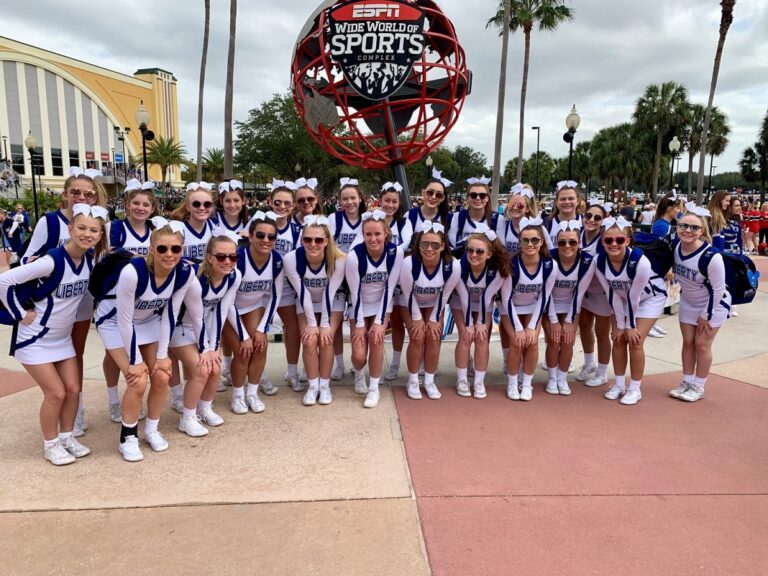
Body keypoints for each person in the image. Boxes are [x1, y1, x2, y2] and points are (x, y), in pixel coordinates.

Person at [0, 205, 107, 465]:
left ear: (100, 234)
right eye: (81, 228)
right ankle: (51, 444)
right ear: (70, 229)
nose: (87, 234)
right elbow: (4, 281)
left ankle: (67, 437)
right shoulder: (52, 261)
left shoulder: (89, 260)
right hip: (35, 339)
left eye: (94, 230)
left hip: (61, 339)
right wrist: (20, 314)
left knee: (73, 389)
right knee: (56, 393)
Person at [22, 166, 108, 436]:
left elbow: (101, 261)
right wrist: (42, 264)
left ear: (96, 198)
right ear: (66, 194)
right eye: (76, 192)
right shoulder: (50, 221)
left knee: (75, 354)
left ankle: (76, 406)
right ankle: (57, 401)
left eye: (88, 194)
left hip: (81, 300)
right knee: (54, 351)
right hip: (52, 301)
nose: (82, 198)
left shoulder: (100, 221)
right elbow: (27, 258)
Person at [110, 222, 197, 460]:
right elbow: (123, 321)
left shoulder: (185, 272)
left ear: (182, 249)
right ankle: (128, 436)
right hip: (114, 324)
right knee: (138, 380)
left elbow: (170, 314)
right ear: (151, 248)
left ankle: (151, 429)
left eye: (175, 249)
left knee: (161, 375)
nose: (169, 255)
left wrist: (161, 356)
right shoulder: (132, 271)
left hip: (148, 322)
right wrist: (136, 360)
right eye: (162, 249)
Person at [173, 230, 248, 436]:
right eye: (221, 256)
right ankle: (187, 418)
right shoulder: (195, 279)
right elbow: (196, 318)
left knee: (216, 366)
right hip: (180, 328)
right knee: (201, 370)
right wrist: (206, 348)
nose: (227, 261)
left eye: (233, 256)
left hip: (204, 328)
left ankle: (204, 408)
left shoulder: (234, 276)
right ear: (209, 258)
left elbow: (221, 311)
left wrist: (213, 348)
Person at [595, 216, 666, 405]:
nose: (614, 244)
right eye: (608, 240)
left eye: (619, 240)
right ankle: (619, 385)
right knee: (617, 338)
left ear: (628, 240)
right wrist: (619, 325)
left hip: (649, 298)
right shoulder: (599, 262)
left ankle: (635, 388)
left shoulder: (640, 262)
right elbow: (611, 294)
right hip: (621, 300)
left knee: (635, 340)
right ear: (602, 241)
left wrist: (630, 325)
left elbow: (634, 297)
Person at [283, 216, 346, 405]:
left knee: (326, 339)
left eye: (318, 240)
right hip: (306, 300)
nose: (313, 244)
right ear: (302, 239)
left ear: (326, 241)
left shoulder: (339, 260)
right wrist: (312, 324)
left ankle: (325, 386)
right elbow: (302, 293)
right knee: (309, 340)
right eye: (308, 239)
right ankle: (313, 386)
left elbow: (330, 292)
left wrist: (324, 324)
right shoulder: (291, 258)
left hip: (332, 300)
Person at [670, 206, 731, 402]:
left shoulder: (712, 257)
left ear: (701, 232)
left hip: (714, 304)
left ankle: (699, 386)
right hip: (688, 301)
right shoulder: (675, 247)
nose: (688, 231)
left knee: (702, 345)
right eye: (683, 226)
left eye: (694, 228)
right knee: (688, 343)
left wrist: (707, 315)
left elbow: (718, 289)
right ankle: (687, 381)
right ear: (677, 227)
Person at [345, 210, 404, 408]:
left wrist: (380, 322)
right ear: (363, 235)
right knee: (359, 356)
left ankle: (374, 388)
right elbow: (355, 293)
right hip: (360, 304)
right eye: (368, 234)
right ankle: (359, 373)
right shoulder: (354, 256)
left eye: (377, 234)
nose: (373, 238)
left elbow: (390, 288)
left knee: (376, 339)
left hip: (382, 303)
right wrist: (360, 324)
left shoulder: (395, 252)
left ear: (386, 233)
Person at [398, 220, 461, 400]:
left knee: (434, 336)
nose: (429, 249)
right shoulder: (409, 263)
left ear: (442, 246)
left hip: (435, 302)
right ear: (418, 244)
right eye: (424, 244)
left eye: (435, 245)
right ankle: (412, 380)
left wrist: (434, 319)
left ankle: (429, 380)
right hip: (410, 301)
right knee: (417, 336)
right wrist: (417, 318)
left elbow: (445, 294)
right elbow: (408, 293)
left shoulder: (453, 266)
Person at [229, 212, 284, 415]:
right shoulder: (237, 259)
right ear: (250, 236)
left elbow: (275, 296)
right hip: (229, 309)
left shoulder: (277, 261)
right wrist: (243, 335)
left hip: (252, 307)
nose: (266, 240)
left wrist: (262, 329)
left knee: (260, 346)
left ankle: (252, 393)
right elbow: (226, 300)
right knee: (244, 350)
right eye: (260, 235)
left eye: (271, 237)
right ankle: (237, 395)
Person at [450, 224, 509, 399]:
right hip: (461, 303)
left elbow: (487, 298)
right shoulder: (459, 267)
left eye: (480, 251)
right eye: (470, 250)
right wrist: (469, 324)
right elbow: (464, 296)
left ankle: (479, 381)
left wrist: (480, 322)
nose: (474, 255)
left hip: (484, 303)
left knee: (482, 338)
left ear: (489, 254)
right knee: (465, 336)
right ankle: (461, 380)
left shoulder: (497, 271)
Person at [500, 219, 555, 401]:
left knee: (531, 341)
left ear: (541, 242)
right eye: (525, 240)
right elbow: (506, 298)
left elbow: (545, 296)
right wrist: (518, 328)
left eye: (534, 240)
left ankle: (527, 383)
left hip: (533, 306)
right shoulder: (511, 264)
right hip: (511, 307)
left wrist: (531, 326)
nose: (529, 244)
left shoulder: (549, 265)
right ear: (519, 242)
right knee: (517, 341)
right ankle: (512, 382)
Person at [543, 220, 594, 395]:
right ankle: (551, 378)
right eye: (562, 242)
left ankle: (562, 378)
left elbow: (579, 293)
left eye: (572, 242)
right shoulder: (548, 257)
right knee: (554, 340)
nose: (567, 246)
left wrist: (570, 320)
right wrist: (554, 320)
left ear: (579, 243)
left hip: (572, 305)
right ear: (556, 242)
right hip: (550, 305)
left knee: (568, 341)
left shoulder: (587, 260)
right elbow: (546, 291)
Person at [328, 178, 367, 380]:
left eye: (353, 197)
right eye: (345, 199)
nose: (349, 202)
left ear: (360, 198)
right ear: (340, 201)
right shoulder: (335, 218)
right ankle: (339, 364)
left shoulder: (367, 218)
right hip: (336, 274)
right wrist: (343, 260)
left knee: (355, 322)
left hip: (358, 277)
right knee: (334, 323)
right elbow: (330, 244)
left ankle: (358, 367)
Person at [268, 179, 304, 393]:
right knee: (257, 332)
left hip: (288, 288)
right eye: (278, 202)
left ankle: (292, 373)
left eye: (287, 203)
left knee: (293, 330)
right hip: (263, 287)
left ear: (293, 206)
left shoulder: (297, 231)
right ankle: (259, 377)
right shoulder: (259, 226)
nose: (282, 207)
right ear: (270, 202)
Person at [378, 182, 414, 382]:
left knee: (403, 323)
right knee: (384, 324)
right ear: (380, 201)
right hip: (379, 279)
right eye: (387, 201)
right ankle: (384, 365)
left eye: (394, 201)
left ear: (399, 203)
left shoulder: (403, 223)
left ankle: (402, 365)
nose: (390, 205)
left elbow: (406, 243)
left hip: (400, 278)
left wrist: (388, 251)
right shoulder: (374, 220)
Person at [577, 201, 612, 387]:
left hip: (602, 292)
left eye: (597, 217)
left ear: (603, 221)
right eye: (588, 216)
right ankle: (589, 364)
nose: (591, 220)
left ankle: (602, 372)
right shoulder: (577, 235)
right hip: (584, 291)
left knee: (602, 332)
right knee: (584, 326)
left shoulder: (604, 240)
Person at [448, 176, 498, 256]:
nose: (478, 198)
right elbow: (453, 246)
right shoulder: (457, 217)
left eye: (482, 195)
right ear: (467, 198)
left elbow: (499, 249)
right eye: (473, 195)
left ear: (488, 198)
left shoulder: (497, 219)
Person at [546, 181, 582, 246]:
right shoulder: (547, 223)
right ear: (556, 202)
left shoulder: (585, 222)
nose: (567, 202)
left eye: (571, 198)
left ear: (577, 201)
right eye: (563, 199)